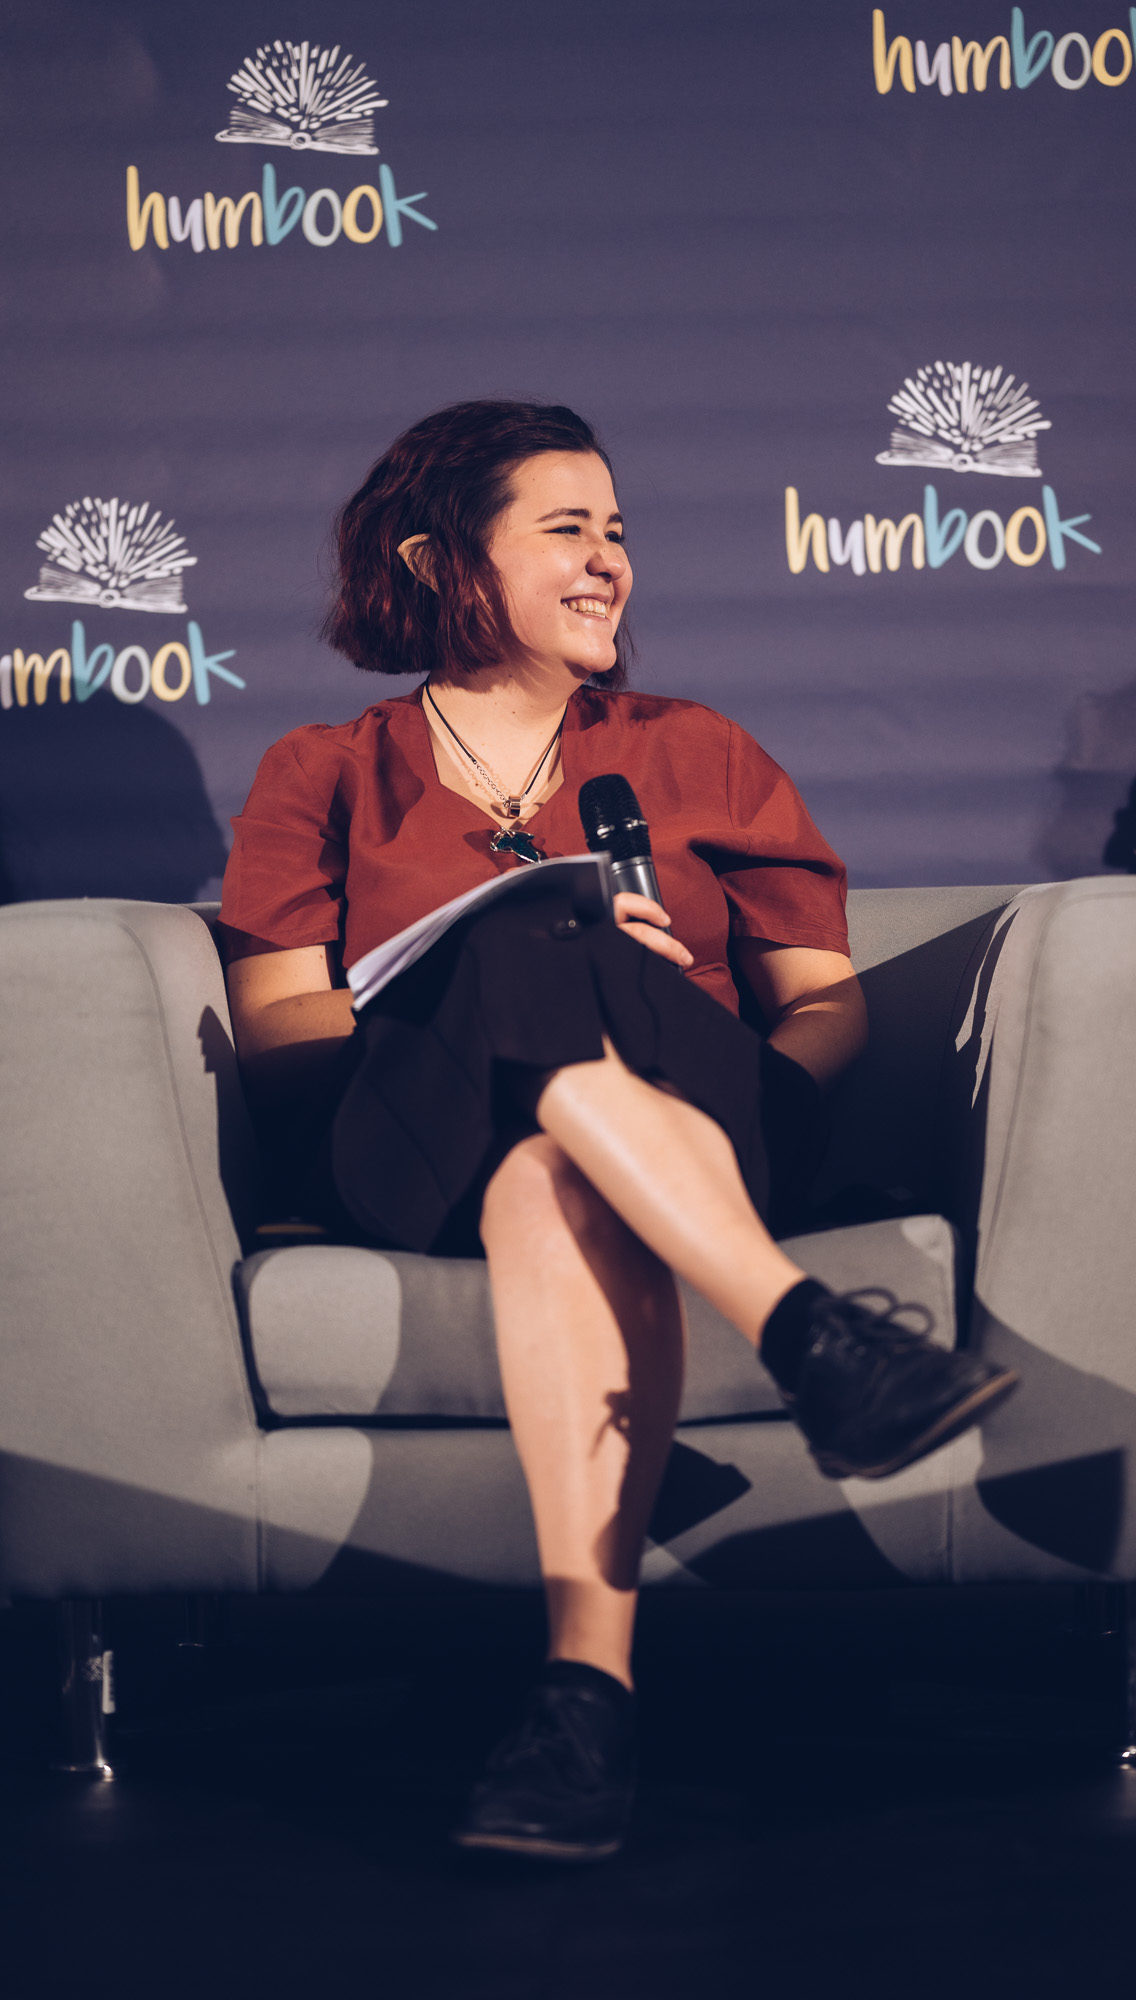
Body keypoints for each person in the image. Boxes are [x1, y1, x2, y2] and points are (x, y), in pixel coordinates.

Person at [219, 400, 1017, 1861]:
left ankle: (583, 1700)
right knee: (532, 956)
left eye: (619, 533)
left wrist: (706, 1050)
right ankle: (813, 1337)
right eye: (567, 530)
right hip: (416, 1145)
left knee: (560, 1131)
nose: (609, 562)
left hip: (705, 1120)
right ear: (440, 559)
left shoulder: (696, 749)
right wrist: (470, 977)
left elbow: (823, 1006)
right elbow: (277, 1035)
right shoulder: (324, 768)